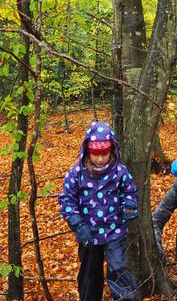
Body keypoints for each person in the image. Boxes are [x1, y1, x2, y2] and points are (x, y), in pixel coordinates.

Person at [58, 121, 138, 301]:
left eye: (104, 154)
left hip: (114, 230)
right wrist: (78, 225)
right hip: (88, 232)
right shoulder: (76, 173)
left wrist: (129, 207)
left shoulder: (120, 172)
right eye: (96, 154)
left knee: (118, 267)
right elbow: (67, 200)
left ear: (112, 150)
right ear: (87, 151)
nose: (100, 159)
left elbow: (130, 191)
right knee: (90, 272)